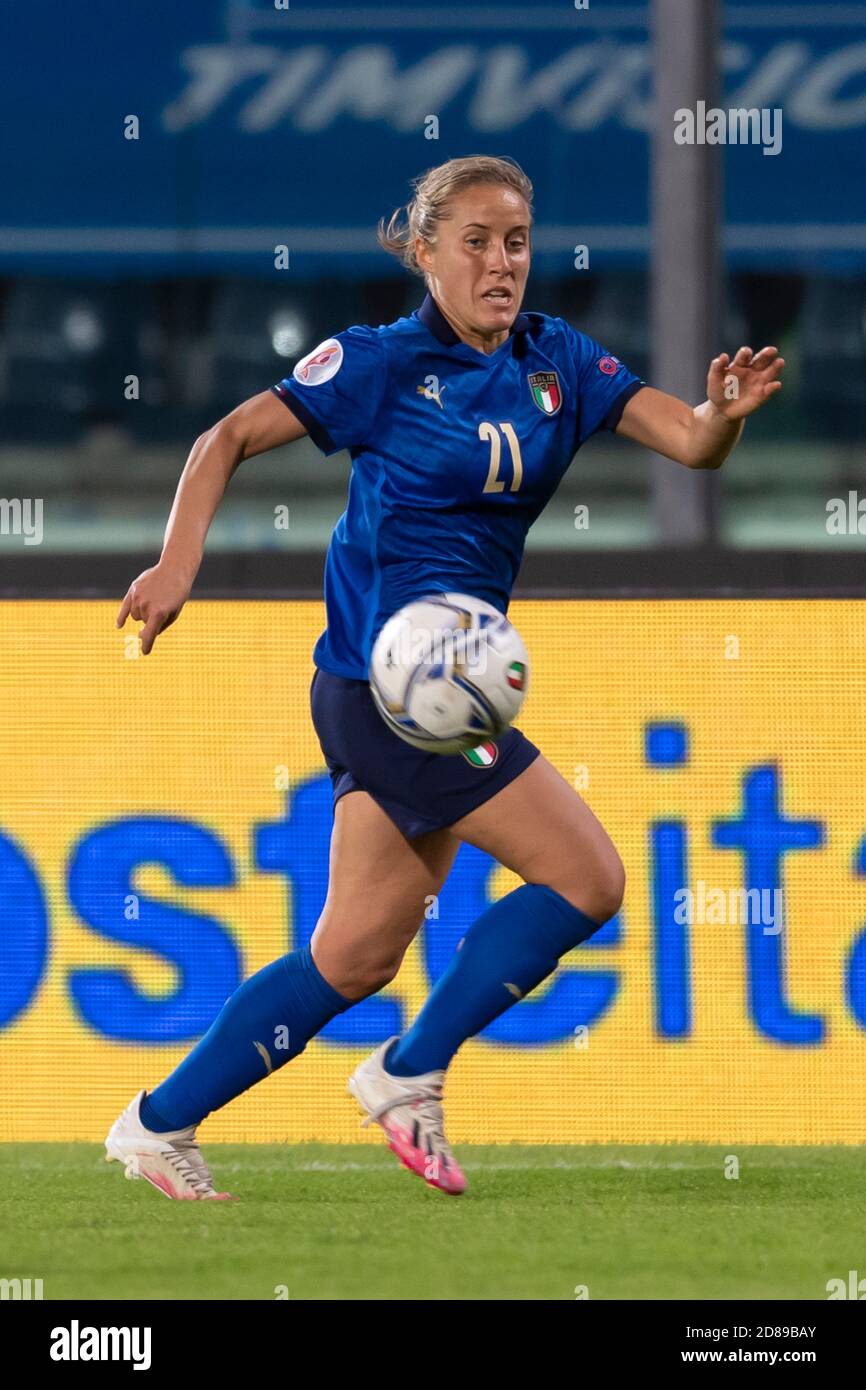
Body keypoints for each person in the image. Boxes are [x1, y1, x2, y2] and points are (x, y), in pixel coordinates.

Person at [106, 154, 784, 1199]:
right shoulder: (378, 363)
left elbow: (690, 445)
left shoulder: (558, 361)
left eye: (514, 241)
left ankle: (157, 1123)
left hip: (441, 690)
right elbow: (229, 434)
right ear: (424, 251)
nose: (499, 262)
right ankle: (406, 1070)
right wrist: (178, 563)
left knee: (355, 953)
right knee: (587, 877)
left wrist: (724, 412)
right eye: (473, 241)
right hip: (388, 691)